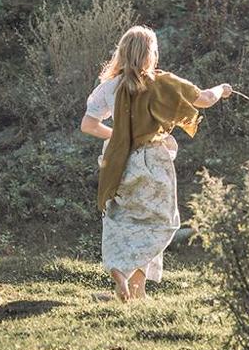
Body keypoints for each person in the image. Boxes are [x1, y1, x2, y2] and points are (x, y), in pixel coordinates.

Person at [80, 25, 232, 302]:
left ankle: (132, 289)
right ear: (151, 54)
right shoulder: (164, 83)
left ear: (122, 54)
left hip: (119, 162)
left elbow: (89, 125)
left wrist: (120, 135)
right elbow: (206, 99)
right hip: (152, 161)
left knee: (121, 219)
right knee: (160, 223)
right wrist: (222, 88)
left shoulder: (109, 87)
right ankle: (125, 276)